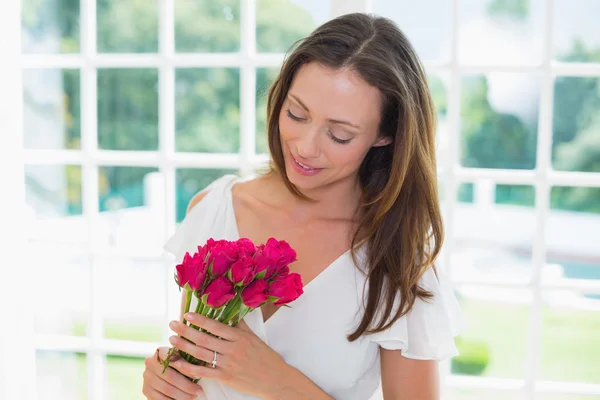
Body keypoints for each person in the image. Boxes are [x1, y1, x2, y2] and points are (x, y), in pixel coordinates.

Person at [142, 12, 464, 400]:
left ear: (385, 136)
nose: (306, 147)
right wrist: (165, 382)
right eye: (296, 113)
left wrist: (277, 382)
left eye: (339, 134)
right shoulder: (215, 208)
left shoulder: (395, 259)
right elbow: (195, 365)